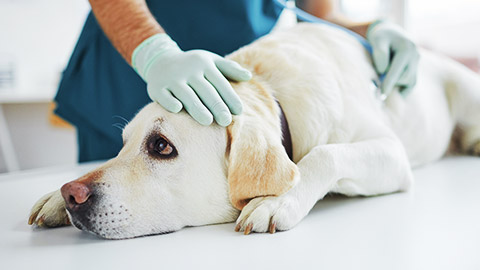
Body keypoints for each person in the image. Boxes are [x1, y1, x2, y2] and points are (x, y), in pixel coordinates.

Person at [55, 0, 419, 163]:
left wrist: (371, 31)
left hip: (222, 101)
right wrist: (156, 55)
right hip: (125, 75)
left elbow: (319, 16)